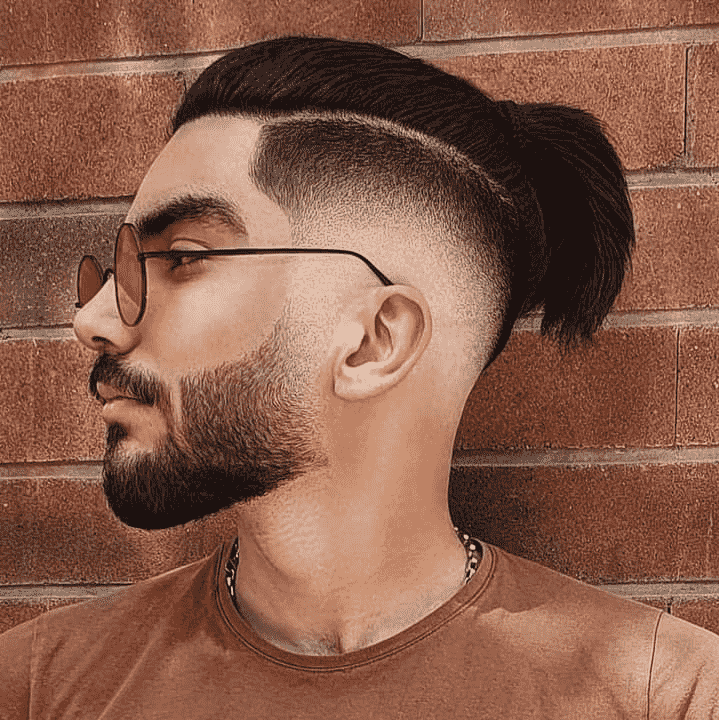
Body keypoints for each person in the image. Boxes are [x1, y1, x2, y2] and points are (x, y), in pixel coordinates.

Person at [1, 36, 717, 718]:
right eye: (119, 266)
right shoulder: (37, 686)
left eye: (182, 258)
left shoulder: (665, 696)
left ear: (375, 342)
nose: (93, 319)